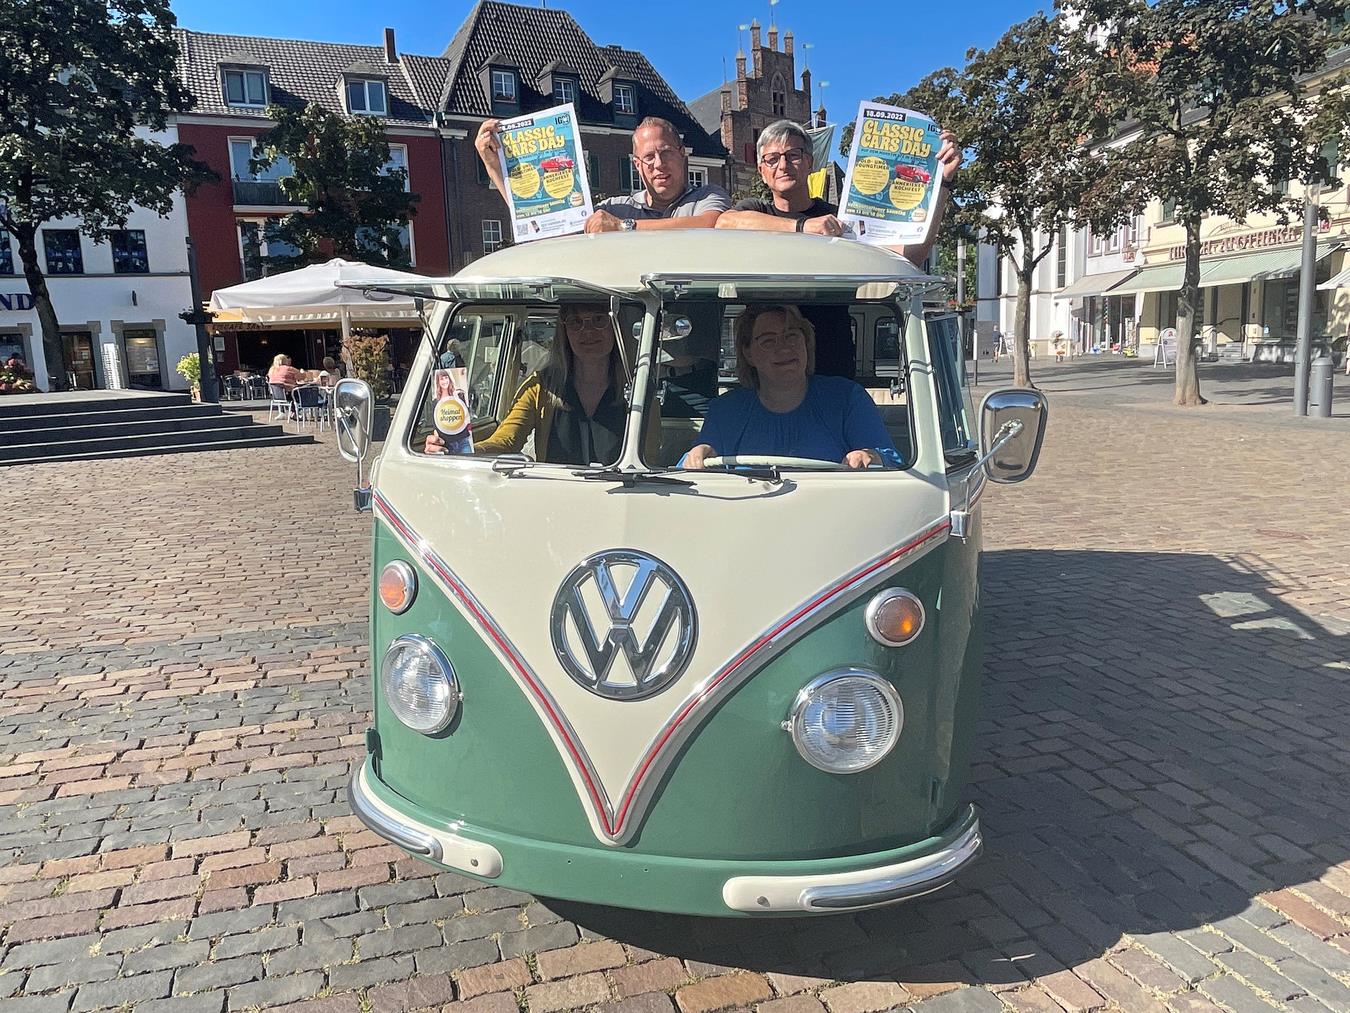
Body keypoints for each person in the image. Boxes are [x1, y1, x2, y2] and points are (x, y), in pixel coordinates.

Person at [714, 120, 961, 378]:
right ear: (762, 171)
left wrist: (942, 184)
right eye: (772, 159)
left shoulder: (839, 219)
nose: (783, 165)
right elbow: (725, 222)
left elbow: (908, 257)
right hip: (765, 363)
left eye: (793, 155)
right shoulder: (754, 211)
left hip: (830, 358)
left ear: (810, 162)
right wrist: (804, 226)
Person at [684, 304, 902, 470]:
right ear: (748, 353)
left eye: (792, 336)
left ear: (806, 343)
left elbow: (892, 460)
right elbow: (687, 468)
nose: (785, 348)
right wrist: (698, 454)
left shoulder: (847, 398)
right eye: (769, 341)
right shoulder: (726, 410)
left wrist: (870, 456)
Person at [424, 303, 629, 466]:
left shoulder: (636, 389)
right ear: (564, 330)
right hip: (556, 497)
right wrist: (457, 449)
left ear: (615, 327)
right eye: (575, 322)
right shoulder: (540, 386)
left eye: (599, 320)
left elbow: (649, 455)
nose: (588, 331)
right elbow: (506, 441)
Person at [475, 116, 729, 232]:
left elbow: (708, 224)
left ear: (682, 154)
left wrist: (623, 227)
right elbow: (545, 224)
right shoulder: (614, 208)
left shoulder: (707, 196)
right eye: (649, 157)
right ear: (637, 165)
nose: (659, 164)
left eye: (666, 153)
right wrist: (493, 167)